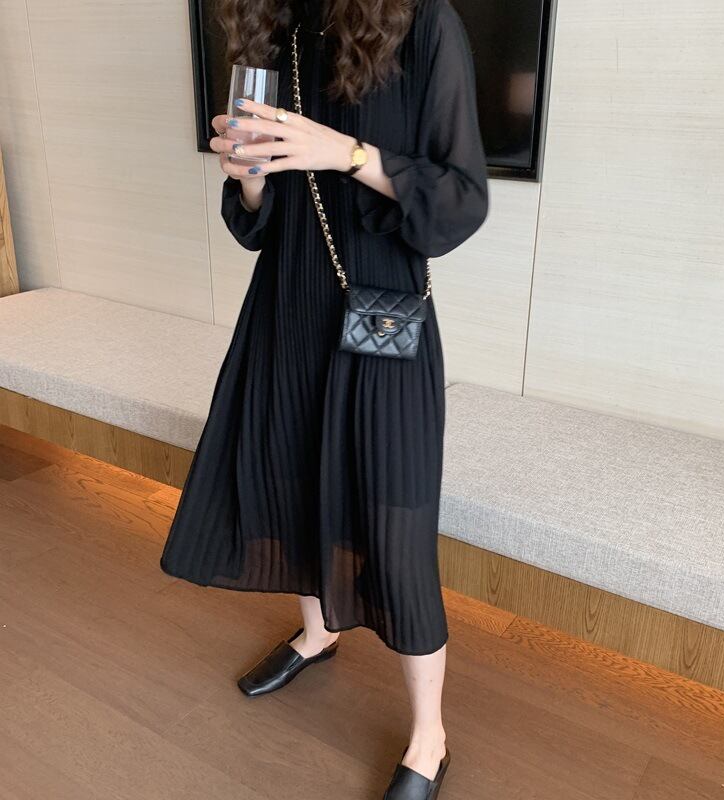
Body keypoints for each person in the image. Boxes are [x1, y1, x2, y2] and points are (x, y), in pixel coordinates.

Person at [159, 0, 488, 795]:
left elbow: (460, 198)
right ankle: (317, 635)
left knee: (397, 530)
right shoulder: (273, 20)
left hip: (382, 317)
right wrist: (247, 181)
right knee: (290, 484)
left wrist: (343, 152)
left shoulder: (425, 21)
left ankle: (430, 736)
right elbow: (261, 224)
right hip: (286, 311)